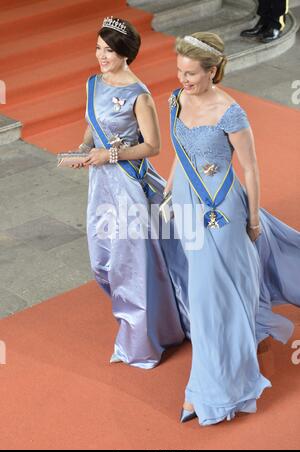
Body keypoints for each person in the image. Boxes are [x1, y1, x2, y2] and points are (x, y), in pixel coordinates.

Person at [165, 32, 299, 425]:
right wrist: (171, 191)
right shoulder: (176, 100)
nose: (183, 79)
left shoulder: (231, 112)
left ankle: (208, 390)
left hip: (222, 213)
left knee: (209, 300)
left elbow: (252, 169)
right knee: (211, 294)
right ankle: (236, 347)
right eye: (179, 70)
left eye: (191, 73)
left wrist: (254, 219)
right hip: (189, 207)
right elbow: (180, 150)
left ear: (213, 70)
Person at [75, 17, 190, 369]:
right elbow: (92, 124)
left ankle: (141, 340)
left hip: (127, 187)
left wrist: (108, 155)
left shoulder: (139, 95)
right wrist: (83, 147)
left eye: (108, 50)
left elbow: (153, 146)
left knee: (132, 264)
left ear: (126, 53)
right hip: (101, 186)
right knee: (102, 261)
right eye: (98, 48)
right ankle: (150, 322)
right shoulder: (93, 84)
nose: (101, 56)